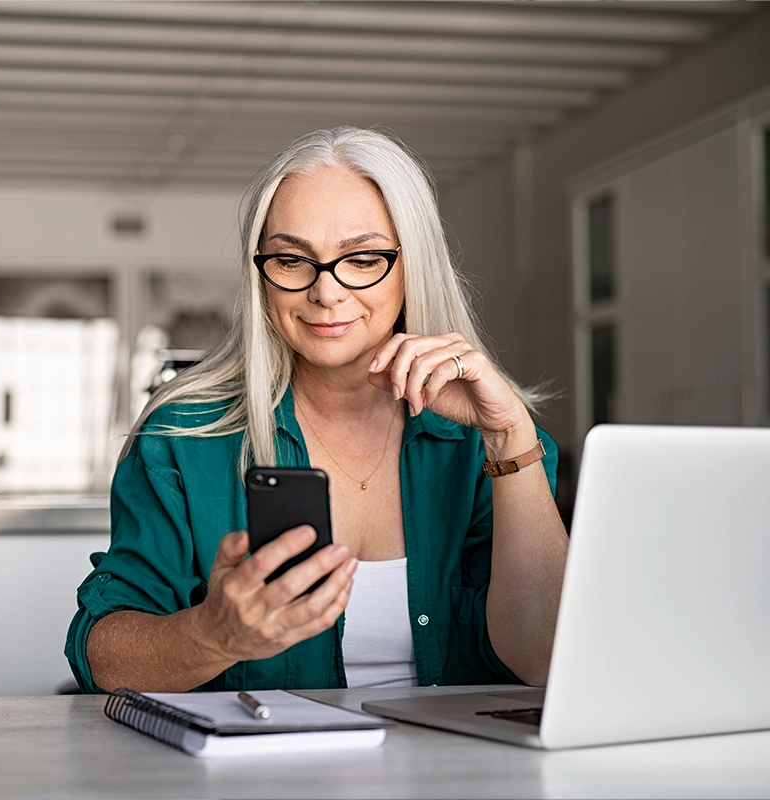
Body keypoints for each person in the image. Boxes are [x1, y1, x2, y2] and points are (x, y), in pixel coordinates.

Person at [66, 126, 568, 694]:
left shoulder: (496, 444)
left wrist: (509, 438)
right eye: (291, 260)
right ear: (262, 277)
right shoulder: (183, 436)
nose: (325, 293)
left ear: (412, 265)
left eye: (362, 259)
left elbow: (545, 660)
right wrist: (214, 635)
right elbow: (102, 656)